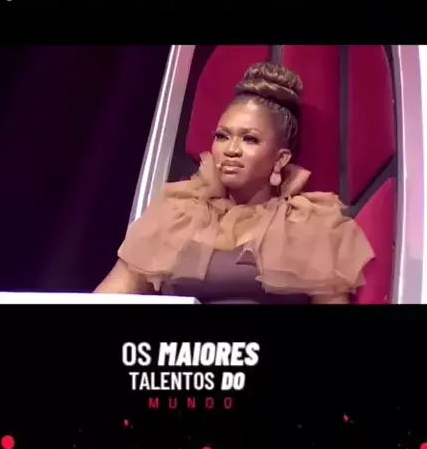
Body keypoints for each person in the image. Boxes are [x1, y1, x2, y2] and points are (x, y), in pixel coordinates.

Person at [95, 63, 375, 303]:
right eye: (222, 136)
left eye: (249, 139)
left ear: (280, 159)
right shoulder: (175, 214)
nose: (231, 150)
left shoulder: (312, 223)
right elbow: (108, 297)